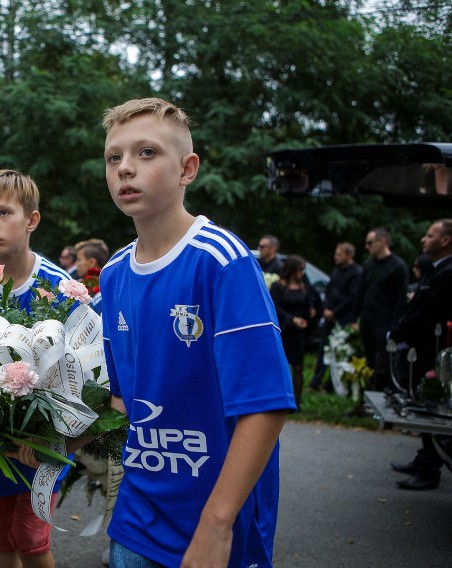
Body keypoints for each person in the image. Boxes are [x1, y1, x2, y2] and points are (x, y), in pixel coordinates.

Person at [98, 97, 294, 567]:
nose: (126, 168)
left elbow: (266, 406)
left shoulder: (221, 260)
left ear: (188, 169)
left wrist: (216, 525)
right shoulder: (112, 275)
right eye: (113, 157)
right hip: (136, 520)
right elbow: (124, 401)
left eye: (146, 153)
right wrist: (55, 440)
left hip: (215, 527)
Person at [0, 169, 75, 568]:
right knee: (4, 539)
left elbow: (83, 375)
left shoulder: (60, 287)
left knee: (32, 540)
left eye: (4, 213)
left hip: (38, 445)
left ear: (32, 220)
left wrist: (49, 433)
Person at [389, 219, 452, 490]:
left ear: (445, 240)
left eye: (429, 235)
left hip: (433, 349)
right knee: (422, 402)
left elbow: (428, 312)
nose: (423, 240)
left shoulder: (448, 272)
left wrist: (401, 331)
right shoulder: (436, 268)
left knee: (430, 406)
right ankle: (425, 457)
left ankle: (430, 469)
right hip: (422, 346)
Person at [354, 227, 409, 392]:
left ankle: (386, 393)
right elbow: (361, 292)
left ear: (382, 241)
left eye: (370, 243)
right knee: (369, 359)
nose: (367, 247)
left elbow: (400, 298)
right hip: (367, 320)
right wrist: (354, 317)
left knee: (385, 361)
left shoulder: (398, 266)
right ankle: (368, 394)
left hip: (385, 322)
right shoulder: (369, 265)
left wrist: (395, 325)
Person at [309, 243, 363, 392]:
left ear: (349, 255)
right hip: (329, 316)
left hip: (343, 317)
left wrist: (335, 313)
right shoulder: (336, 270)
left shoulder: (357, 273)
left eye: (339, 254)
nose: (335, 257)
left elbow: (352, 298)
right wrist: (326, 309)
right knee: (323, 350)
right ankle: (315, 382)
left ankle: (332, 385)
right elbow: (329, 290)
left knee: (340, 352)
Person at [269, 256, 315, 410]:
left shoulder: (303, 287)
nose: (302, 273)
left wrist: (309, 316)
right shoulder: (278, 287)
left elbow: (309, 303)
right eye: (300, 269)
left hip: (298, 333)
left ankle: (297, 402)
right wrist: (291, 318)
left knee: (298, 367)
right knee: (281, 367)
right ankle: (279, 399)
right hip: (284, 329)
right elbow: (274, 306)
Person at [74, 238, 110, 315]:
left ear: (92, 262)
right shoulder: (108, 281)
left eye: (79, 260)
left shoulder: (106, 287)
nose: (76, 264)